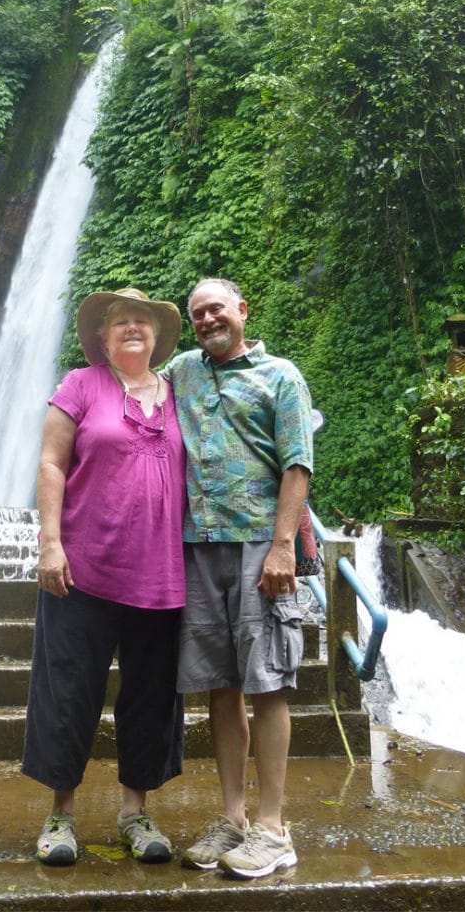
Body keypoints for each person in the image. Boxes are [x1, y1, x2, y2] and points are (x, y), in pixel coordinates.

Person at [22, 287, 187, 867]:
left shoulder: (179, 395)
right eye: (121, 322)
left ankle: (134, 814)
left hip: (162, 578)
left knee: (150, 699)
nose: (133, 329)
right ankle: (60, 815)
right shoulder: (80, 385)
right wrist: (50, 543)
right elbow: (50, 463)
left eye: (142, 321)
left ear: (158, 336)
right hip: (83, 571)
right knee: (69, 691)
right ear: (102, 336)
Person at [165, 277, 314, 879]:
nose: (207, 320)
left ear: (243, 312)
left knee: (267, 681)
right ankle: (233, 820)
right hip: (197, 547)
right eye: (198, 313)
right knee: (219, 686)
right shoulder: (181, 371)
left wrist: (284, 548)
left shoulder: (282, 376)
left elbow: (297, 463)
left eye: (216, 309)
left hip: (259, 546)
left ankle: (274, 829)